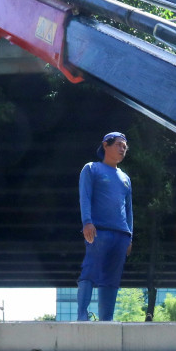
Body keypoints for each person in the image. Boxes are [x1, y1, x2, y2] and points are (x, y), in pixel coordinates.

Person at [76, 131, 132, 321]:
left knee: (112, 279)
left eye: (124, 147)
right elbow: (85, 197)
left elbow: (129, 209)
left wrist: (130, 236)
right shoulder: (92, 168)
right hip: (99, 230)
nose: (122, 149)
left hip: (121, 234)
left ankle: (106, 320)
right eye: (118, 145)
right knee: (90, 270)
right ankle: (82, 316)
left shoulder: (125, 178)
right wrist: (87, 222)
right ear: (106, 145)